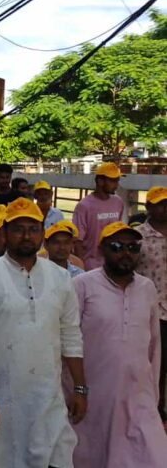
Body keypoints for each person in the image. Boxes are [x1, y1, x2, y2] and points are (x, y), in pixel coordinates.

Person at [0, 197, 87, 468]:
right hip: (2, 396)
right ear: (5, 232)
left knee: (56, 457)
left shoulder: (61, 278)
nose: (26, 236)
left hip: (49, 396)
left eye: (33, 229)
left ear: (42, 233)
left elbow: (71, 336)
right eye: (18, 229)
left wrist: (80, 388)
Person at [70, 221, 167, 467]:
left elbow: (154, 345)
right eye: (117, 246)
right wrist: (74, 389)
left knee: (154, 455)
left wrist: (154, 393)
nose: (126, 253)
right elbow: (68, 341)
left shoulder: (147, 288)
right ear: (101, 249)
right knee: (94, 454)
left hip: (139, 394)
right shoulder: (82, 285)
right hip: (95, 393)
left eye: (133, 248)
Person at [135, 186, 167, 426]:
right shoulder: (138, 237)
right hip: (151, 311)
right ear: (148, 207)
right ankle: (154, 408)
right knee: (155, 363)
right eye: (160, 204)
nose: (165, 208)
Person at [72, 162, 125, 270]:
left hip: (113, 264)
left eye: (117, 181)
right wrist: (81, 267)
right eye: (112, 181)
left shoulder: (118, 202)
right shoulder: (84, 206)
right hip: (91, 265)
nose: (116, 185)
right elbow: (77, 241)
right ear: (100, 181)